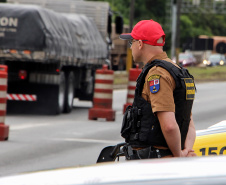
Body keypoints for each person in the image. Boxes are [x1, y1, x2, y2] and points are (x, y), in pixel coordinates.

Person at [119, 19, 196, 159]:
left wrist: (179, 156)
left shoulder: (157, 74)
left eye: (132, 42)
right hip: (168, 158)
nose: (130, 47)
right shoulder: (179, 71)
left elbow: (169, 126)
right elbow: (188, 121)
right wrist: (187, 150)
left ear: (140, 44)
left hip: (155, 162)